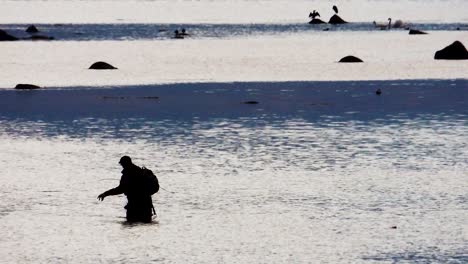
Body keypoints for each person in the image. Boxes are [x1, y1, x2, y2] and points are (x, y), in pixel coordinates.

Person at [98, 156, 155, 223]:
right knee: (145, 226)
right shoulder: (140, 171)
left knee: (130, 225)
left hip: (134, 206)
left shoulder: (127, 174)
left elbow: (120, 189)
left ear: (125, 164)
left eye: (121, 164)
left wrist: (105, 194)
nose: (121, 165)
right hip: (147, 205)